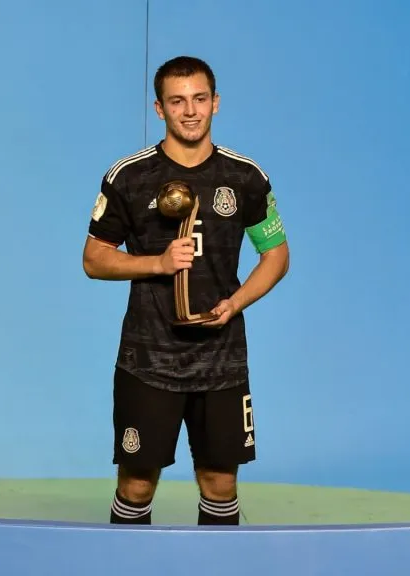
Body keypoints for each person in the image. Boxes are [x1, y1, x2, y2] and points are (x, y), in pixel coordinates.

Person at [82, 55, 290, 526]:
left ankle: (218, 563)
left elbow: (276, 255)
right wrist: (156, 263)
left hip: (221, 359)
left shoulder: (245, 177)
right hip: (147, 358)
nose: (190, 111)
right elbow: (94, 259)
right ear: (159, 109)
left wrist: (235, 303)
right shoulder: (129, 177)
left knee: (221, 483)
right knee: (136, 485)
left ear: (216, 103)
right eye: (177, 101)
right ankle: (127, 561)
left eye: (199, 99)